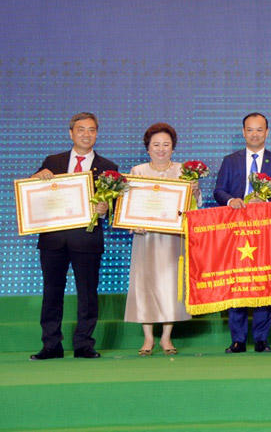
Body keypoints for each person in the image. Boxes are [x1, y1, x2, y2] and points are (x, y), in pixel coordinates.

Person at [30, 112, 118, 360]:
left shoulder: (109, 168)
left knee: (88, 294)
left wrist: (106, 208)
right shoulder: (52, 161)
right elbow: (32, 193)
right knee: (52, 292)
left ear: (97, 134)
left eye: (91, 130)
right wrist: (36, 178)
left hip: (87, 239)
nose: (86, 134)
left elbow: (116, 206)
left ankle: (84, 344)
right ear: (71, 133)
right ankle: (51, 345)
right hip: (53, 238)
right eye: (81, 129)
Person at [213, 112, 271, 354]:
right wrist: (231, 201)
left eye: (259, 130)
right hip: (236, 231)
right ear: (243, 132)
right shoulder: (230, 161)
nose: (255, 134)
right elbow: (219, 191)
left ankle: (261, 339)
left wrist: (266, 201)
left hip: (266, 233)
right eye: (250, 130)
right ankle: (238, 339)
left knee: (263, 282)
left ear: (267, 132)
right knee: (237, 282)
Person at [124, 123, 195, 356]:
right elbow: (128, 204)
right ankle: (148, 338)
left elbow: (194, 205)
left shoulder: (183, 171)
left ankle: (166, 337)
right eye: (156, 145)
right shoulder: (138, 171)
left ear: (173, 148)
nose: (161, 149)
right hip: (146, 236)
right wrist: (133, 222)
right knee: (145, 284)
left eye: (166, 144)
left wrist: (194, 190)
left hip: (173, 237)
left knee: (171, 284)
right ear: (148, 148)